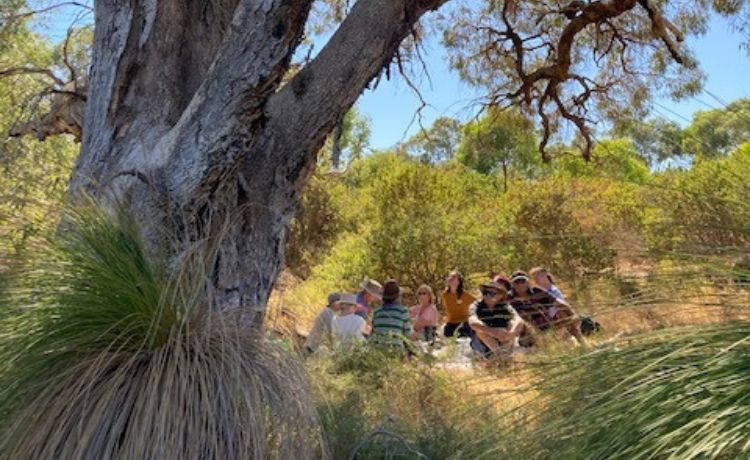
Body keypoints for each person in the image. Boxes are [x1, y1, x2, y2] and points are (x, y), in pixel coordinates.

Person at [509, 271, 585, 344]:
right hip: (529, 326)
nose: (520, 284)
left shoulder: (536, 291)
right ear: (513, 284)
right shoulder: (510, 297)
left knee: (563, 313)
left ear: (527, 282)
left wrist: (573, 314)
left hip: (548, 320)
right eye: (517, 282)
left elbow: (558, 302)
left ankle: (582, 342)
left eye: (522, 281)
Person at [467, 280, 526, 356]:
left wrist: (511, 333)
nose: (487, 295)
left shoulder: (505, 306)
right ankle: (500, 354)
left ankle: (503, 354)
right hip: (483, 343)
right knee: (480, 328)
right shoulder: (476, 305)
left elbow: (519, 320)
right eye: (485, 293)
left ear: (500, 296)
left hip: (503, 340)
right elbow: (472, 322)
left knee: (511, 324)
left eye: (491, 294)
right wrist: (493, 332)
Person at [369, 279, 412, 350]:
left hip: (377, 351)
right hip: (395, 351)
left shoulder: (377, 311)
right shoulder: (402, 311)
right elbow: (407, 335)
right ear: (398, 296)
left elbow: (374, 332)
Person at [440, 271, 477, 338]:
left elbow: (477, 303)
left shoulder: (464, 294)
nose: (451, 278)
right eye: (450, 276)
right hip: (451, 323)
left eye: (454, 277)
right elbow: (445, 310)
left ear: (458, 282)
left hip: (464, 323)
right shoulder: (444, 295)